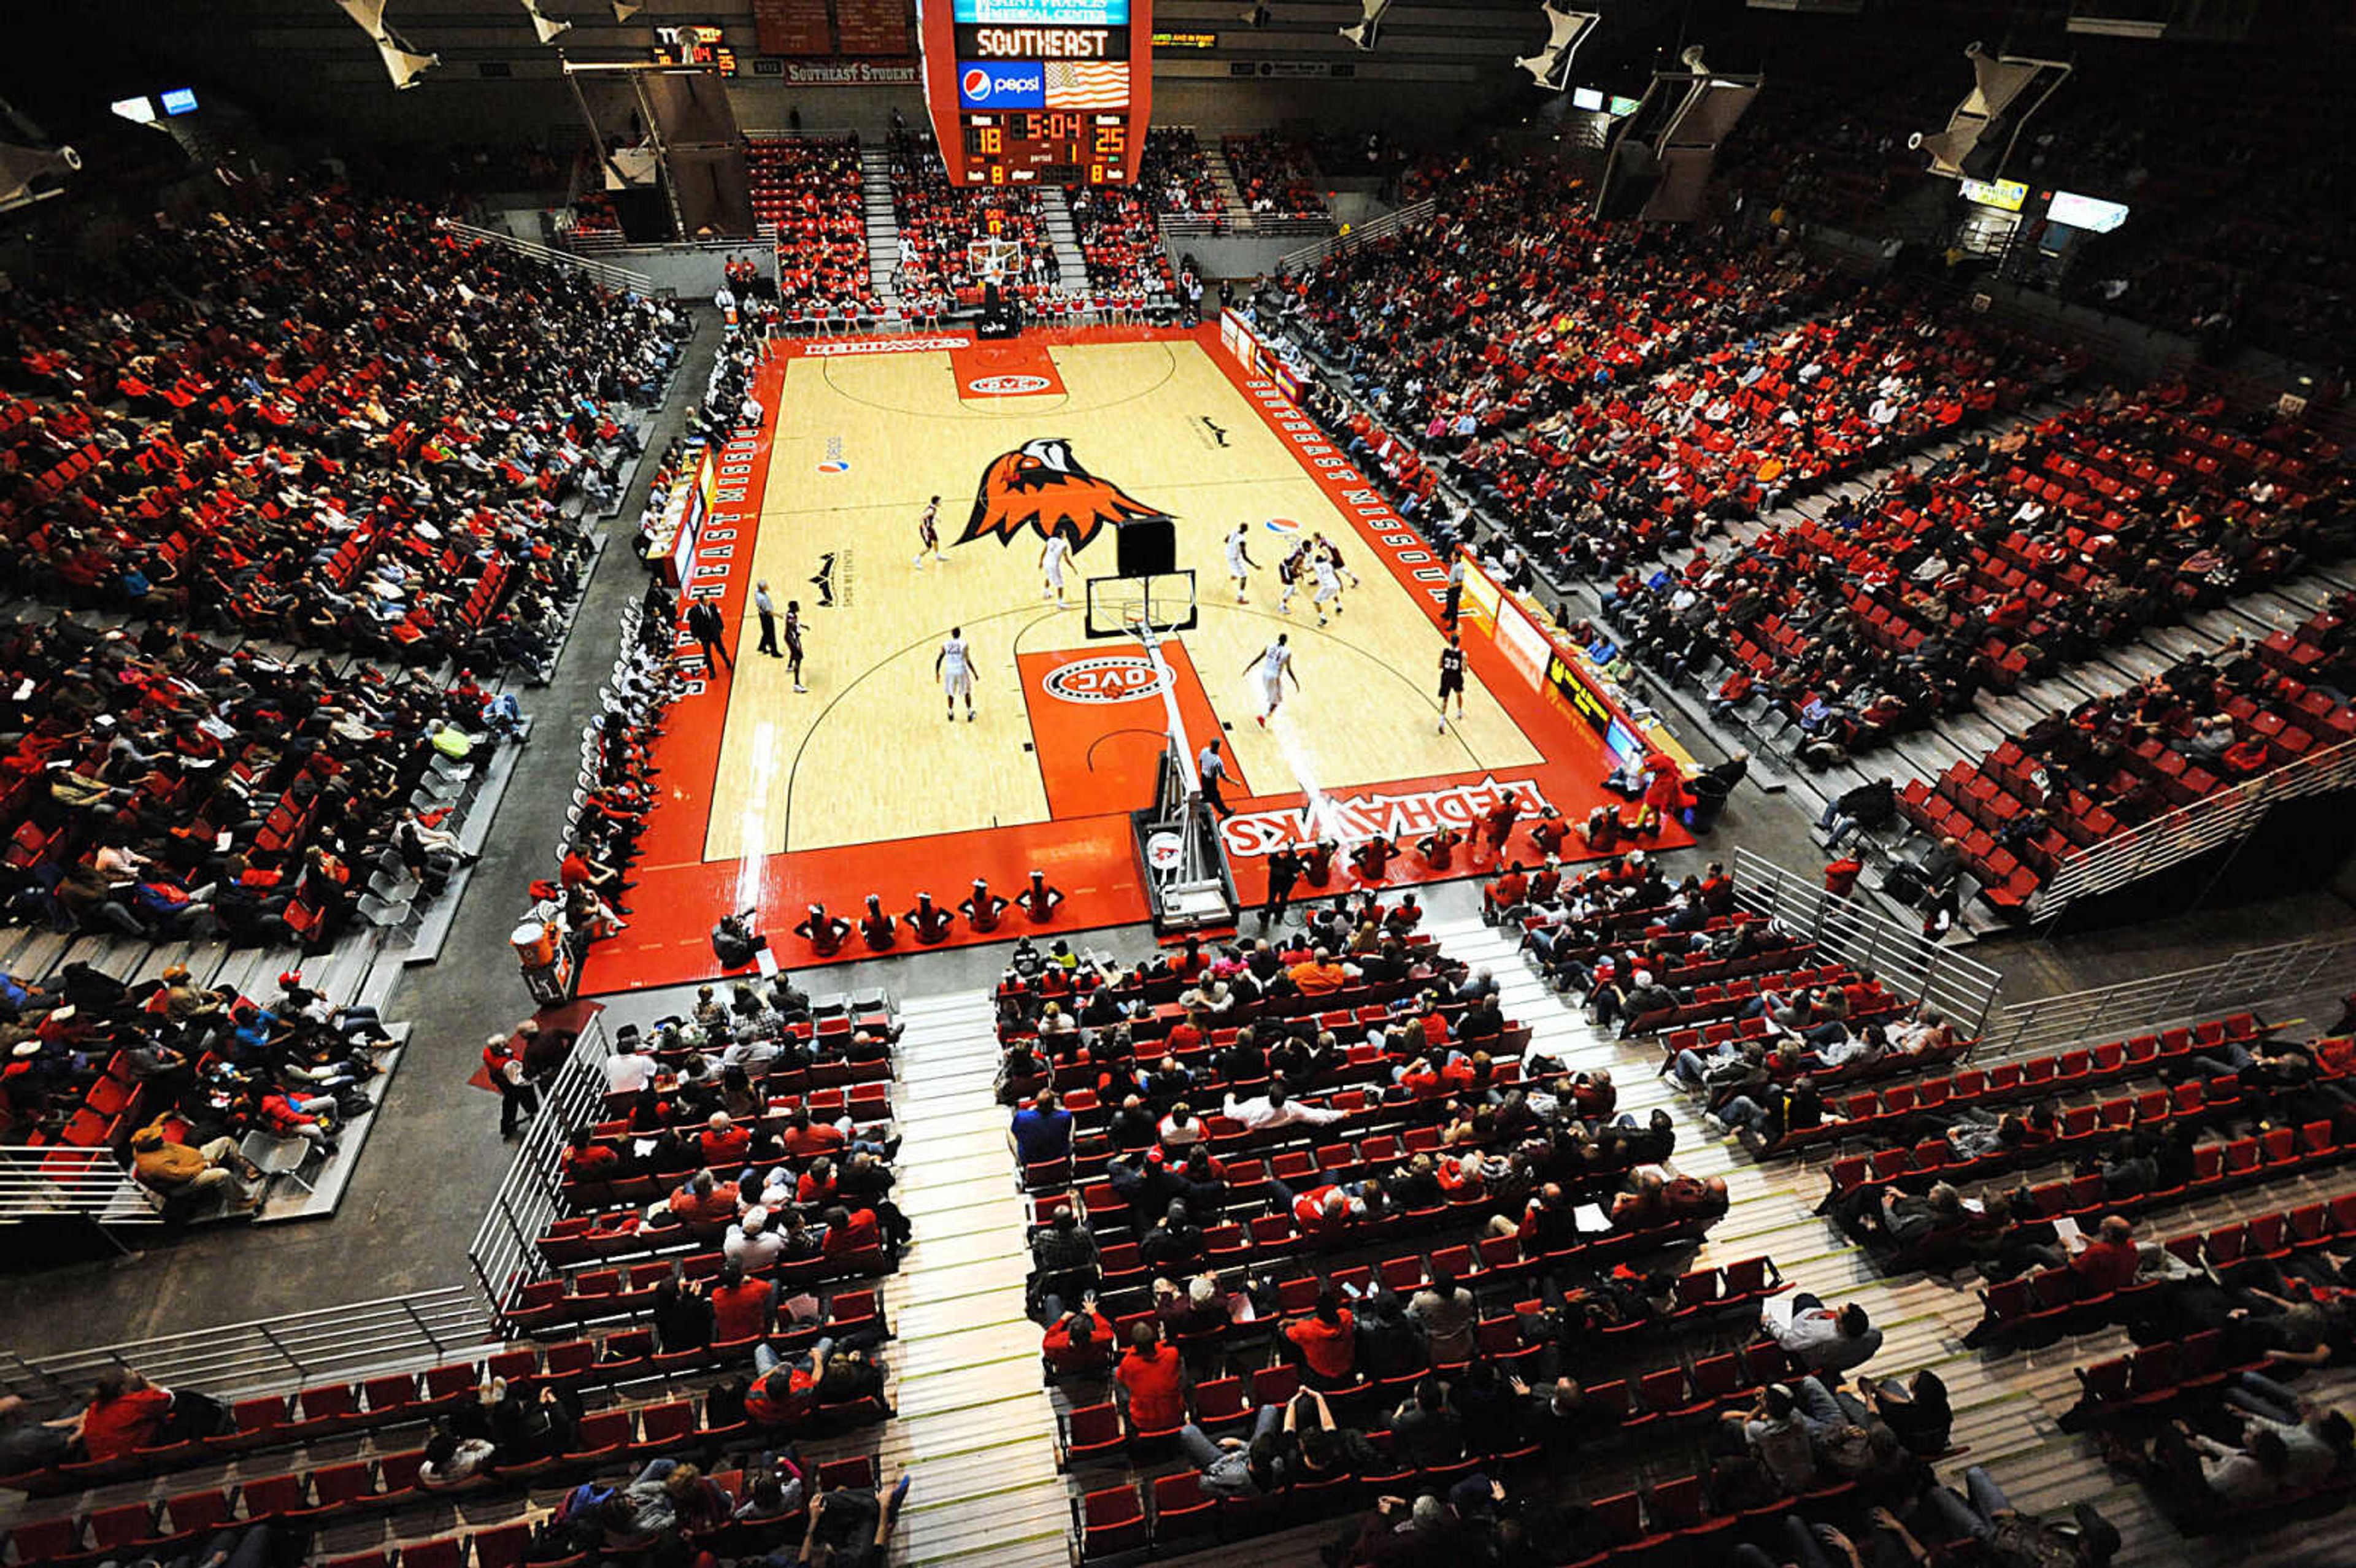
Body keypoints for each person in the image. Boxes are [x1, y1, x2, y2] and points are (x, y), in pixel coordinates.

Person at [1925, 1466, 2121, 1566]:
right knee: (1975, 1474)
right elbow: (2043, 1528)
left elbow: (2010, 1553)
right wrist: (2018, 1517)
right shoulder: (2075, 1540)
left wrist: (2005, 1527)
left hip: (1993, 1541)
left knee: (1938, 1494)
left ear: (2088, 1547)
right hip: (2011, 1525)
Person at [1772, 1293, 1881, 1374]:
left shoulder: (1818, 1335)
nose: (1839, 1308)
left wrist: (1769, 1323)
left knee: (1757, 1311)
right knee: (1806, 1299)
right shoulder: (1874, 1334)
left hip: (1803, 1355)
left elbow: (1787, 1341)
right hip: (1832, 1358)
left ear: (1841, 1326)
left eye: (1841, 1312)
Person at [1115, 1323, 1187, 1434]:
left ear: (1135, 1346)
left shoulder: (1128, 1363)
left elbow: (1122, 1378)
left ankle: (1127, 1426)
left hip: (1143, 1423)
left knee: (1116, 1372)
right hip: (1175, 1416)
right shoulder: (1173, 1354)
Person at [483, 1032, 540, 1139]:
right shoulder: (503, 1062)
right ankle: (533, 1113)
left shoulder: (488, 1052)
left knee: (510, 1102)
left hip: (503, 1082)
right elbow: (514, 1069)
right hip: (511, 1081)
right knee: (525, 1097)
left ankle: (507, 1125)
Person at [1011, 1090, 1073, 1169]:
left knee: (1009, 1131)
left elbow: (1015, 1132)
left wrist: (1031, 1110)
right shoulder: (1065, 1116)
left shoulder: (1022, 1117)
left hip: (1032, 1163)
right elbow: (1064, 1111)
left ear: (1037, 1103)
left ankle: (1019, 1162)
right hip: (1059, 1162)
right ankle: (1071, 1143)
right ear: (1053, 1104)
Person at [1249, 633, 1298, 726]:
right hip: (1274, 677)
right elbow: (1289, 670)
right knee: (1278, 699)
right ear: (1286, 641)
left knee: (1275, 698)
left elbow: (1259, 657)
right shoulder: (1287, 653)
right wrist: (1295, 681)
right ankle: (1264, 717)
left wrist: (1249, 667)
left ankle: (1267, 714)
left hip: (1265, 674)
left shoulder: (1269, 646)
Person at [936, 626, 976, 722]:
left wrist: (937, 673)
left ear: (952, 634)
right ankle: (970, 712)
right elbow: (968, 661)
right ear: (960, 633)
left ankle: (950, 712)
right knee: (967, 692)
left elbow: (939, 659)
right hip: (961, 670)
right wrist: (975, 673)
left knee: (950, 693)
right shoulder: (964, 644)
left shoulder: (945, 645)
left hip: (950, 671)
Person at [687, 595, 732, 674]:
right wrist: (695, 637)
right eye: (707, 600)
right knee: (707, 654)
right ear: (702, 602)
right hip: (704, 636)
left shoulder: (712, 605)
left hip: (714, 632)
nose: (710, 601)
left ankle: (727, 661)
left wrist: (721, 627)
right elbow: (692, 626)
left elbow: (717, 616)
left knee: (721, 648)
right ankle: (712, 671)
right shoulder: (694, 611)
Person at [1436, 634, 1466, 732]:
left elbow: (1439, 666)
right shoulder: (1463, 654)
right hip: (1456, 677)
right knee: (1459, 694)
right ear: (1459, 642)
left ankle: (1441, 722)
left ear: (1450, 641)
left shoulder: (1444, 651)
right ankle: (1459, 713)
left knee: (1445, 699)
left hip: (1446, 677)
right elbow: (1465, 670)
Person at [1198, 740, 1235, 820]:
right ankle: (1226, 812)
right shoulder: (1217, 761)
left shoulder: (1204, 751)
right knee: (1216, 798)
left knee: (1205, 790)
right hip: (1211, 781)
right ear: (1218, 747)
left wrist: (1202, 770)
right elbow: (1223, 775)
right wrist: (1234, 782)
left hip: (1204, 776)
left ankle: (1206, 797)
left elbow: (1200, 761)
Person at [1041, 529, 1075, 606]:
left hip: (1046, 562)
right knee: (1060, 584)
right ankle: (1060, 602)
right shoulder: (1064, 545)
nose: (1065, 534)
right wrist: (1073, 567)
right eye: (1064, 533)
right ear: (1061, 535)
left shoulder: (1050, 540)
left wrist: (1041, 562)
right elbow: (1066, 559)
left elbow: (1044, 552)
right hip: (1054, 565)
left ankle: (1046, 593)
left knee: (1049, 576)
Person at [1226, 521, 1258, 603]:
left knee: (1237, 560)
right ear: (1246, 530)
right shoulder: (1242, 541)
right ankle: (1240, 597)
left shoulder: (1233, 531)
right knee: (1244, 576)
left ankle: (1234, 574)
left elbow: (1226, 540)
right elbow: (1245, 557)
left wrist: (1233, 545)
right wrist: (1255, 565)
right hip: (1234, 558)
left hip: (1228, 553)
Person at [784, 599, 807, 693]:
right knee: (799, 657)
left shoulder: (792, 615)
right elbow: (792, 626)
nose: (799, 607)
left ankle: (790, 666)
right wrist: (796, 635)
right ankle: (797, 685)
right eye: (797, 606)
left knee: (793, 653)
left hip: (792, 638)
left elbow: (796, 624)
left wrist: (803, 626)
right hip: (792, 639)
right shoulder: (790, 618)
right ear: (794, 608)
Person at [754, 580, 781, 657]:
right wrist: (779, 616)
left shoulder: (757, 592)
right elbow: (769, 612)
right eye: (765, 586)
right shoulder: (762, 599)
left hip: (762, 614)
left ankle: (762, 647)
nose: (767, 586)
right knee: (771, 634)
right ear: (762, 588)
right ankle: (774, 652)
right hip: (767, 617)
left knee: (766, 632)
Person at [914, 496, 943, 567]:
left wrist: (936, 518)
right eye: (940, 501)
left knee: (936, 540)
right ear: (936, 502)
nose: (941, 503)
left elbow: (931, 516)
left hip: (930, 528)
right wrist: (925, 530)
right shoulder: (931, 510)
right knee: (928, 547)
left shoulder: (933, 508)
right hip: (926, 530)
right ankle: (917, 559)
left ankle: (938, 556)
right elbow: (921, 518)